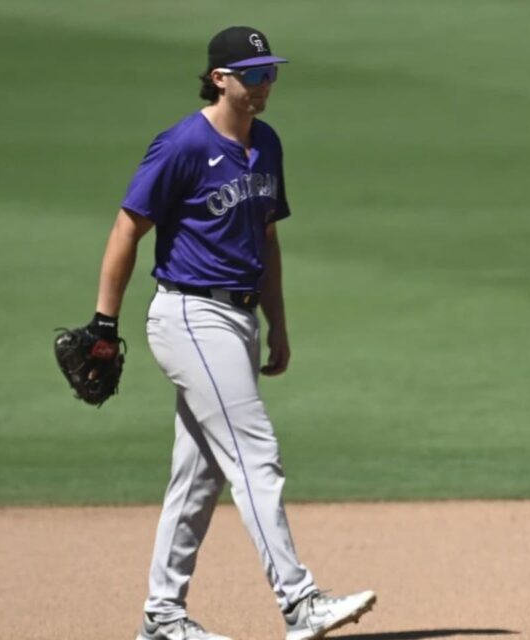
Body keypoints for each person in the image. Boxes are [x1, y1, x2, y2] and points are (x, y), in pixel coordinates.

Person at [86, 25, 375, 640]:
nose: (266, 84)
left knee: (198, 476)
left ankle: (162, 619)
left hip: (237, 320)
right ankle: (300, 603)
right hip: (190, 314)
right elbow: (125, 229)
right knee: (255, 456)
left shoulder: (266, 143)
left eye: (271, 72)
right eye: (254, 74)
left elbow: (266, 238)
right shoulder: (181, 145)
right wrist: (104, 324)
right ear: (221, 79)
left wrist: (278, 324)